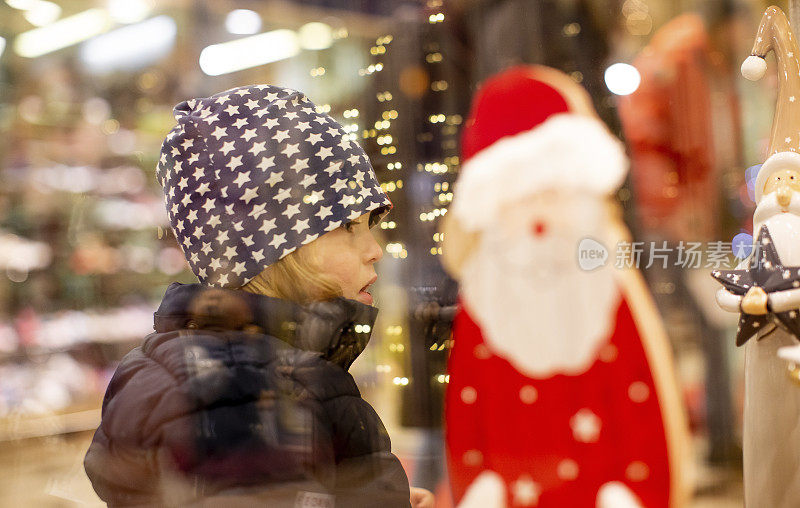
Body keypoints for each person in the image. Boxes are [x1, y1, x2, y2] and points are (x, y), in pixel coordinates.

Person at [84, 84, 434, 508]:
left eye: (370, 224)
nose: (374, 248)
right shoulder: (242, 393)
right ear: (273, 250)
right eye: (348, 227)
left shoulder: (247, 369)